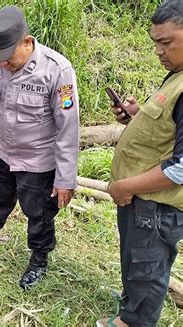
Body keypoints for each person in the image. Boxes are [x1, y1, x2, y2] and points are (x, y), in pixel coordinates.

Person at [0, 5, 79, 290]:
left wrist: (65, 179)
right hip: (3, 150)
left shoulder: (57, 71)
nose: (2, 64)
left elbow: (68, 129)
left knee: (39, 213)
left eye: (8, 58)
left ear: (27, 42)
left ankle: (39, 258)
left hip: (38, 160)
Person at [97, 1, 183, 326]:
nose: (159, 51)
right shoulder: (175, 77)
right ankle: (130, 313)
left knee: (148, 269)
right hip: (144, 205)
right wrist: (134, 117)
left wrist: (124, 186)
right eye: (155, 43)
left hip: (156, 207)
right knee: (138, 264)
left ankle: (134, 322)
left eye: (167, 42)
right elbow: (167, 134)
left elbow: (181, 168)